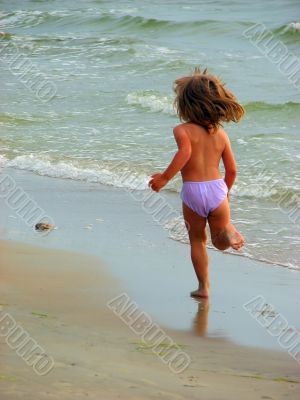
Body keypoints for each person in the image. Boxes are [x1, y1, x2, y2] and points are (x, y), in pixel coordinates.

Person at [149, 67, 245, 298]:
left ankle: (203, 288)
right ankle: (227, 232)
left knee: (197, 240)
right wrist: (226, 192)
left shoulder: (182, 130)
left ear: (185, 104)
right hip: (216, 190)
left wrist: (163, 178)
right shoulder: (221, 135)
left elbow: (184, 154)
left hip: (192, 192)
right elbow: (232, 170)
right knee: (219, 242)